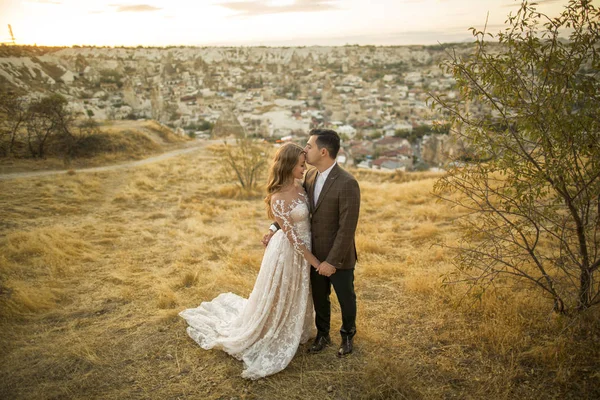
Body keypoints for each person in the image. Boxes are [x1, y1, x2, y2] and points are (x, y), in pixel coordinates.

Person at [179, 143, 320, 380]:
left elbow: (297, 220)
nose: (304, 167)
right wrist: (316, 262)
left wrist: (272, 229)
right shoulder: (278, 198)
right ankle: (273, 330)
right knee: (280, 293)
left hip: (305, 248)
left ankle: (299, 328)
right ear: (288, 165)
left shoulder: (301, 186)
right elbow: (293, 237)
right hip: (289, 252)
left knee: (299, 292)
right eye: (300, 164)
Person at [263, 128, 361, 357]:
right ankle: (323, 335)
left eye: (309, 146)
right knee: (319, 297)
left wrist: (332, 262)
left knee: (346, 297)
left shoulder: (347, 183)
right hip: (313, 254)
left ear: (323, 151)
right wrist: (273, 227)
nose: (305, 150)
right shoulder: (309, 176)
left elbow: (347, 228)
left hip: (339, 256)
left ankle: (347, 335)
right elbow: (297, 212)